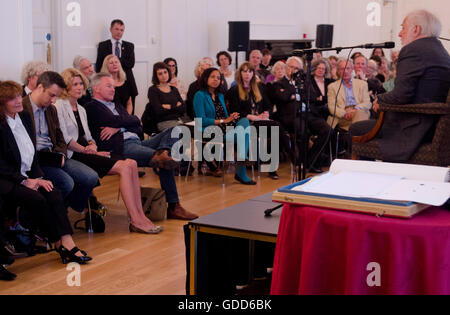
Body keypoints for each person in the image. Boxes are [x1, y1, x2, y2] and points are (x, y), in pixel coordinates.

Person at [55, 68, 162, 234]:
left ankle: (141, 215)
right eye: (74, 84)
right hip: (75, 153)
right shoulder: (59, 106)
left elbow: (89, 136)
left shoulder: (81, 109)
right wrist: (89, 150)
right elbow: (65, 139)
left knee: (132, 163)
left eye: (80, 84)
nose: (79, 87)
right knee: (125, 167)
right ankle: (135, 219)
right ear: (66, 87)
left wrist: (93, 146)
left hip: (87, 151)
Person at [0, 80, 92, 265]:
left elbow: (31, 152)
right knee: (38, 199)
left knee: (53, 192)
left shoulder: (24, 117)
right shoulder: (1, 125)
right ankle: (59, 243)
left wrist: (38, 177)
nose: (19, 100)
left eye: (19, 95)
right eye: (12, 99)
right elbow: (2, 165)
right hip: (7, 178)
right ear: (2, 103)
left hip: (26, 173)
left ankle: (66, 242)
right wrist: (26, 181)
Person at [85, 73, 198, 220]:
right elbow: (124, 120)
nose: (113, 89)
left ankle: (163, 151)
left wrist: (118, 127)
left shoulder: (116, 104)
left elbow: (138, 126)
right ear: (97, 88)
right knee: (164, 161)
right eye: (109, 86)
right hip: (122, 147)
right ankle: (173, 206)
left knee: (177, 130)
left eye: (113, 86)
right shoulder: (91, 107)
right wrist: (129, 121)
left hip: (138, 142)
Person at [350, 10, 450, 162]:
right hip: (437, 128)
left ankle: (364, 179)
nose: (399, 33)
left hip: (414, 128)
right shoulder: (442, 52)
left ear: (416, 29)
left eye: (403, 28)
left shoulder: (413, 50)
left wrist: (380, 99)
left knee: (356, 128)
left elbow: (401, 95)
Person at [22, 72, 99, 214]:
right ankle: (51, 215)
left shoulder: (51, 109)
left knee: (91, 177)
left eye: (56, 96)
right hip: (37, 159)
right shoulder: (22, 108)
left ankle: (60, 210)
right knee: (66, 182)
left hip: (54, 155)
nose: (54, 100)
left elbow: (60, 137)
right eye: (51, 95)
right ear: (40, 87)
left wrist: (62, 154)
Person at [226, 62, 291, 180]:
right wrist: (252, 116)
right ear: (240, 73)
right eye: (244, 71)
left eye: (250, 71)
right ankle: (292, 156)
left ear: (253, 73)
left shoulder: (259, 88)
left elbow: (269, 105)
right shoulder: (234, 90)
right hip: (244, 123)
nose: (247, 74)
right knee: (275, 126)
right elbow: (234, 110)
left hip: (259, 120)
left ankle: (272, 169)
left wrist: (267, 113)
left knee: (275, 128)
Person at [194, 68, 256, 185]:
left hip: (225, 126)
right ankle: (241, 170)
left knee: (244, 122)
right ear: (206, 78)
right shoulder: (200, 95)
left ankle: (241, 162)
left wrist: (231, 117)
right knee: (245, 134)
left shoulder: (220, 95)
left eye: (218, 78)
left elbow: (225, 115)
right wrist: (223, 120)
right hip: (210, 128)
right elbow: (201, 120)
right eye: (213, 77)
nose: (216, 80)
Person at [96, 19, 138, 114]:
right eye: (117, 29)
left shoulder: (129, 46)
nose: (119, 32)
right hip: (109, 83)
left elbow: (130, 64)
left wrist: (114, 60)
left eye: (122, 30)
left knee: (129, 113)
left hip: (127, 83)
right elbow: (99, 66)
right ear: (111, 29)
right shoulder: (103, 45)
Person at [327, 59, 372, 131]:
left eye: (348, 68)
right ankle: (357, 139)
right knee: (362, 121)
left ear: (352, 69)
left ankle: (354, 136)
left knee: (360, 113)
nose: (345, 71)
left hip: (358, 110)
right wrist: (344, 113)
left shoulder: (362, 84)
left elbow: (367, 103)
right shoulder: (332, 86)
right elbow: (332, 107)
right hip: (342, 116)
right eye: (342, 69)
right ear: (338, 71)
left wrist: (356, 109)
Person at [147, 62, 186, 132]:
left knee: (194, 130)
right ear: (156, 76)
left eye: (165, 72)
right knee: (182, 132)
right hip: (162, 122)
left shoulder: (174, 89)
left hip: (178, 120)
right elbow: (158, 111)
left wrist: (168, 107)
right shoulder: (153, 90)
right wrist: (176, 106)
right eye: (160, 74)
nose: (164, 75)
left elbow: (183, 109)